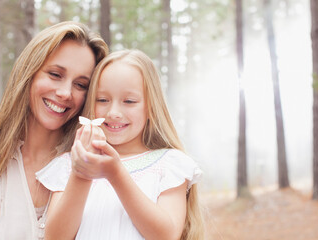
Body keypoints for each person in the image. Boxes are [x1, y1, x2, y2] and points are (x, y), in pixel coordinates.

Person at [43, 49, 205, 240]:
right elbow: (55, 237)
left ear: (151, 107)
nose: (113, 112)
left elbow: (166, 235)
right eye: (103, 100)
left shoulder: (168, 165)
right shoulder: (69, 164)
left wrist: (116, 174)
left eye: (129, 101)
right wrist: (81, 173)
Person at [0, 21, 108, 239]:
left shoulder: (99, 168)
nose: (65, 93)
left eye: (80, 85)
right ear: (29, 73)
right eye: (55, 74)